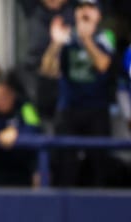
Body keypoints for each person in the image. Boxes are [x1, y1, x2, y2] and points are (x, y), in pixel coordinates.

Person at [39, 0, 114, 186]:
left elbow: (103, 65)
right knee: (65, 165)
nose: (85, 12)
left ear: (99, 15)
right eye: (80, 8)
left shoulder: (106, 37)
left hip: (96, 110)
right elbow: (47, 69)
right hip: (69, 109)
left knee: (99, 164)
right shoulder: (66, 36)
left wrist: (86, 39)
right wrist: (56, 44)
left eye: (90, 7)